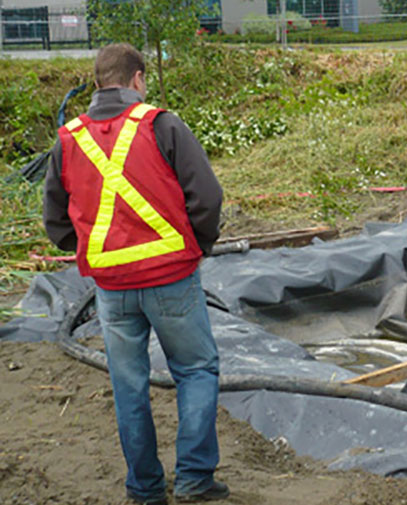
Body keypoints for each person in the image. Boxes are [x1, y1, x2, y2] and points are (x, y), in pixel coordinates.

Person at [43, 43, 228, 505]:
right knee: (197, 370)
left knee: (129, 386)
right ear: (138, 79)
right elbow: (207, 196)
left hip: (111, 287)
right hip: (171, 278)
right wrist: (199, 246)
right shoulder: (163, 125)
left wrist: (93, 251)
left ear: (99, 81)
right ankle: (194, 480)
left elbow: (56, 221)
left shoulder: (69, 139)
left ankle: (144, 489)